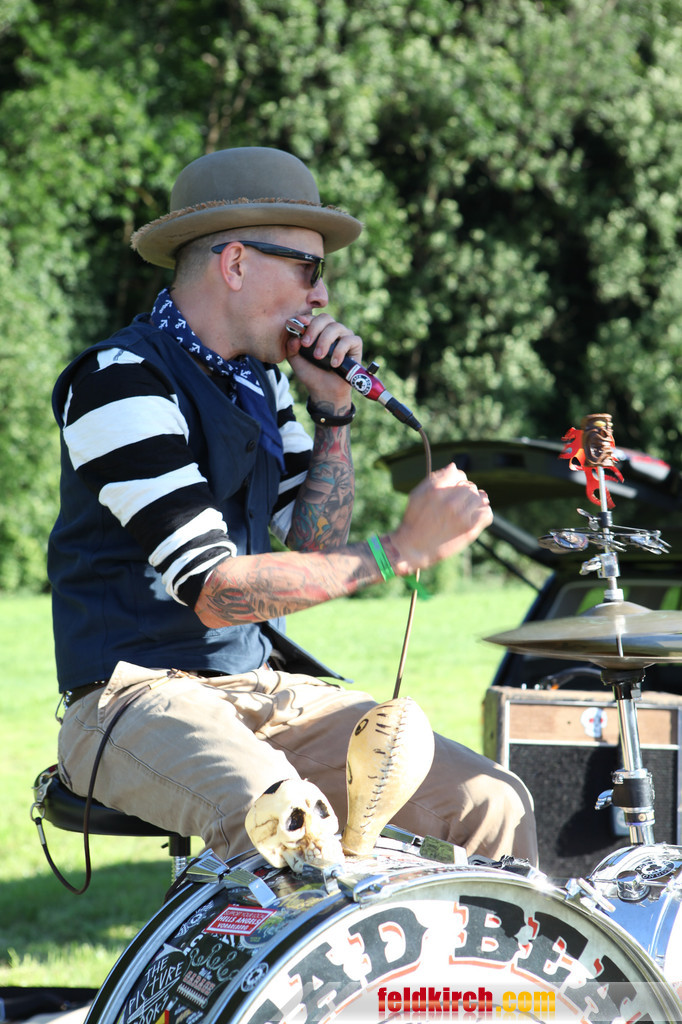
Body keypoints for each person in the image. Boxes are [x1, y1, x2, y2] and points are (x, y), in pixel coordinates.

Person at [49, 146, 537, 867]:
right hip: (130, 699)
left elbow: (312, 549)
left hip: (261, 688)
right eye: (310, 270)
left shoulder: (262, 383)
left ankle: (473, 951)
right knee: (287, 821)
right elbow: (216, 592)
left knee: (490, 802)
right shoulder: (119, 380)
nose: (323, 297)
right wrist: (400, 551)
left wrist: (333, 410)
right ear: (235, 264)